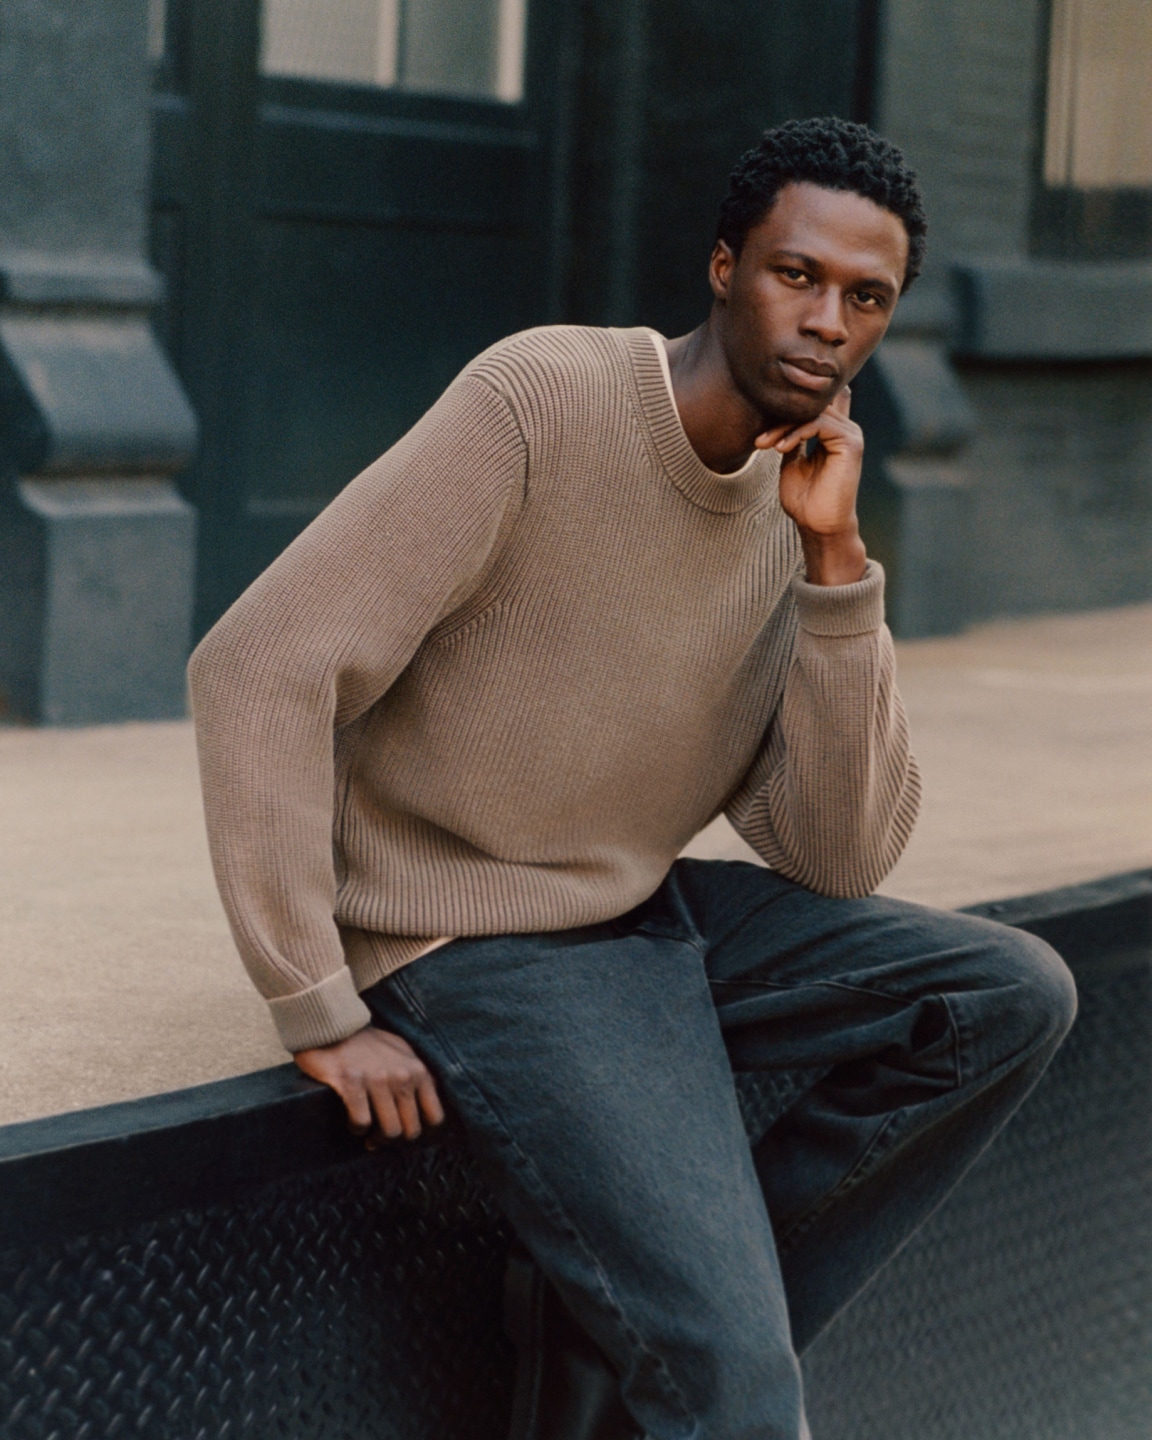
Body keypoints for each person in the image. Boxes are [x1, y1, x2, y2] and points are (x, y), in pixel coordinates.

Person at [188, 117, 1077, 1440]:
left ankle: (624, 1317)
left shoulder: (798, 507)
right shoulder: (542, 401)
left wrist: (836, 573)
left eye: (866, 298)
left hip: (640, 915)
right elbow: (259, 662)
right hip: (473, 934)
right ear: (724, 265)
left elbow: (835, 854)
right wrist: (316, 1002)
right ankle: (687, 1341)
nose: (827, 320)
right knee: (741, 1393)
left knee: (1005, 994)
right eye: (797, 274)